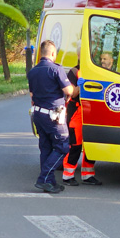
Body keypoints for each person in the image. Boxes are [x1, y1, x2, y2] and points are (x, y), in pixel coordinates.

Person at [28, 40, 75, 193]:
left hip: (38, 114)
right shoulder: (56, 69)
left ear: (42, 53)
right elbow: (69, 91)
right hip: (53, 116)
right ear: (53, 53)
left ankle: (50, 183)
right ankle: (43, 178)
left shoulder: (33, 71)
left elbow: (31, 94)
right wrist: (78, 86)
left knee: (46, 148)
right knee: (62, 146)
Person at [61, 63, 102, 187]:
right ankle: (67, 176)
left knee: (91, 145)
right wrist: (81, 86)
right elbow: (72, 94)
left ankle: (88, 175)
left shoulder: (96, 70)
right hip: (76, 113)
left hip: (91, 111)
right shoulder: (74, 72)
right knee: (75, 145)